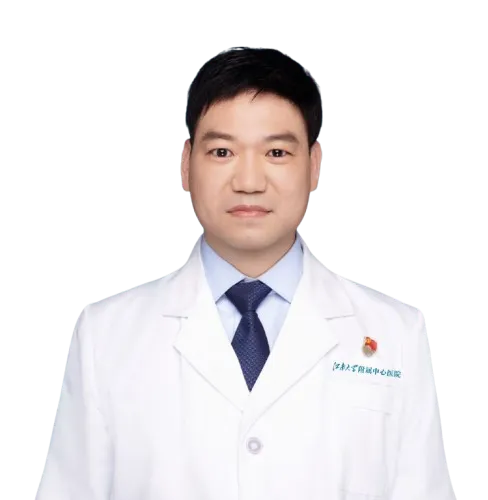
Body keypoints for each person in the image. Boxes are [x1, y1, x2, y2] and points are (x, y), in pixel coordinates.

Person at [36, 46, 455, 499]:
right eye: (222, 151)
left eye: (276, 152)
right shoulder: (106, 336)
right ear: (185, 164)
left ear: (314, 165)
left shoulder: (395, 334)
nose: (249, 181)